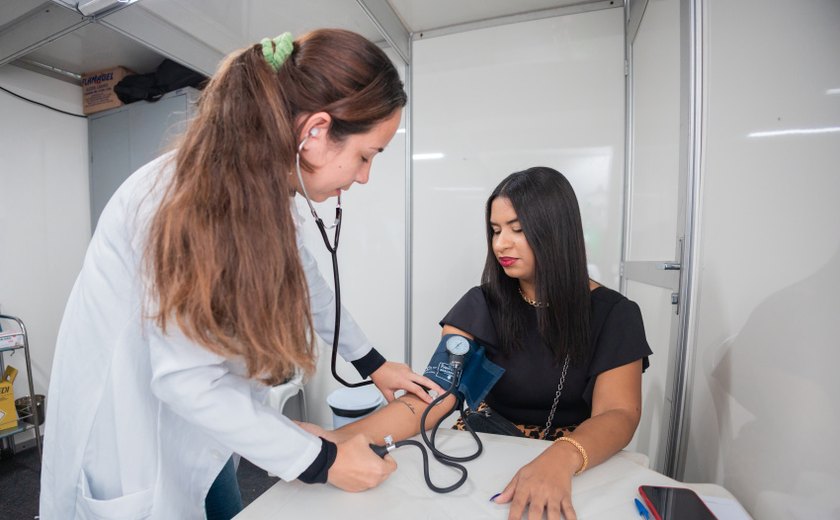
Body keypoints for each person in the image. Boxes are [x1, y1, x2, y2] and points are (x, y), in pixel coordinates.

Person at [39, 29, 443, 519]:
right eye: (365, 156)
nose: (363, 177)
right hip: (135, 445)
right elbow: (187, 382)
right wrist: (322, 461)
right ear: (315, 131)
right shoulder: (186, 201)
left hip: (202, 435)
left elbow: (309, 285)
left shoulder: (261, 185)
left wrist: (373, 363)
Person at [309, 167, 652, 520]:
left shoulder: (614, 314)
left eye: (518, 230)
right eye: (495, 230)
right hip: (491, 444)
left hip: (577, 453)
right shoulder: (481, 305)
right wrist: (336, 440)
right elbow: (434, 395)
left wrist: (561, 458)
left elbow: (619, 413)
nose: (501, 243)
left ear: (556, 232)